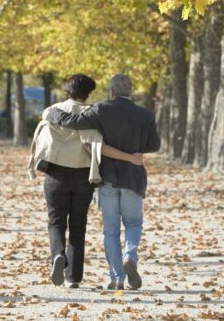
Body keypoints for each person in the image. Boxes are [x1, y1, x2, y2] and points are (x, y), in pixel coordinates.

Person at [45, 74, 160, 290]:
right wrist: (135, 150)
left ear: (111, 91)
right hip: (133, 178)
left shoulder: (101, 109)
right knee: (134, 223)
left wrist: (53, 113)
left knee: (111, 230)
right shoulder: (145, 115)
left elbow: (75, 123)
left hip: (107, 178)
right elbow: (154, 145)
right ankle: (130, 256)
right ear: (131, 92)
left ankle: (116, 278)